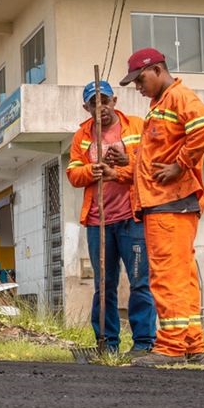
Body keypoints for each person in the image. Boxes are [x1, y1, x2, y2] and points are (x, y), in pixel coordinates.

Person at [117, 47, 204, 367]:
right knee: (183, 277)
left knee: (166, 277)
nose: (137, 86)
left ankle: (171, 347)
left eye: (140, 78)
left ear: (158, 70)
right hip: (171, 204)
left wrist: (180, 165)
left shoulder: (177, 97)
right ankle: (192, 345)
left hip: (169, 204)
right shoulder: (160, 105)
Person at [66, 80, 156, 357]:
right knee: (104, 286)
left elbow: (148, 166)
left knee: (140, 280)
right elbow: (72, 173)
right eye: (94, 103)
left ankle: (143, 344)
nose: (100, 107)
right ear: (86, 107)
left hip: (132, 218)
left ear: (114, 101)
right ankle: (108, 345)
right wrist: (91, 171)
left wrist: (122, 165)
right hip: (98, 221)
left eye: (104, 100)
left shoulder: (137, 127)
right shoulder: (82, 135)